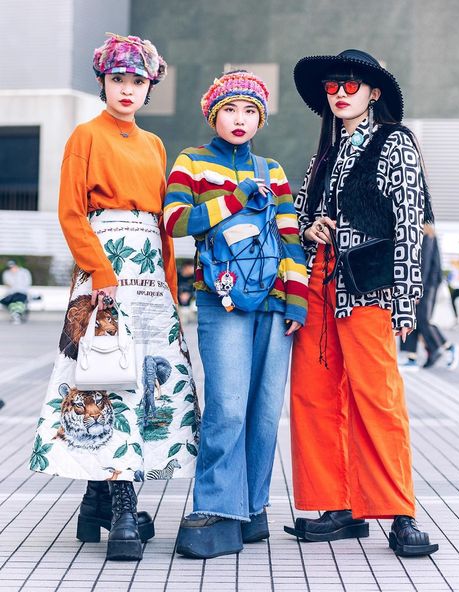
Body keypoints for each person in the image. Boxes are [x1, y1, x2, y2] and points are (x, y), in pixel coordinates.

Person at [29, 33, 199, 562]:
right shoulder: (85, 135)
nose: (127, 89)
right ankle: (123, 509)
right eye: (118, 79)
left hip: (149, 275)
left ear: (150, 88)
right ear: (102, 82)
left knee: (142, 375)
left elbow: (162, 226)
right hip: (105, 268)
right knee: (106, 377)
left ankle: (94, 503)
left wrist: (170, 286)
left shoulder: (153, 145)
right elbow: (71, 212)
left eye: (137, 81)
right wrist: (100, 271)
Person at [286, 49, 438, 557]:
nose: (341, 92)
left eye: (352, 83)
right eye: (333, 85)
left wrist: (407, 300)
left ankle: (399, 512)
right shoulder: (323, 154)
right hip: (319, 284)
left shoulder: (396, 143)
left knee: (377, 398)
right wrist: (311, 230)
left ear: (374, 93)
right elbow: (301, 225)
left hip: (369, 287)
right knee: (314, 394)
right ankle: (339, 507)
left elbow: (410, 225)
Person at [164, 70, 308, 559]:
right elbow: (175, 220)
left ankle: (251, 507)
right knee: (226, 406)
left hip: (274, 305)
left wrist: (297, 300)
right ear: (214, 114)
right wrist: (230, 201)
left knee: (265, 412)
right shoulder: (192, 161)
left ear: (261, 117)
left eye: (250, 111)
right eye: (230, 109)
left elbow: (290, 239)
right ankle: (214, 507)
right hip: (220, 300)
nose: (240, 119)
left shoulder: (274, 171)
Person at [399, 224, 459, 370]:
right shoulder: (423, 233)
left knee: (422, 319)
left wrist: (417, 289)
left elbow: (423, 264)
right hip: (425, 283)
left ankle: (447, 346)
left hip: (427, 284)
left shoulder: (426, 235)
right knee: (413, 318)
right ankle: (412, 357)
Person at [1, 260, 32, 324]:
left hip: (22, 292)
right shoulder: (7, 273)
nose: (12, 268)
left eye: (13, 266)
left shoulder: (24, 272)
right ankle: (16, 314)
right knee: (12, 301)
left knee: (18, 300)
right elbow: (8, 284)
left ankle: (16, 315)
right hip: (12, 293)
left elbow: (28, 283)